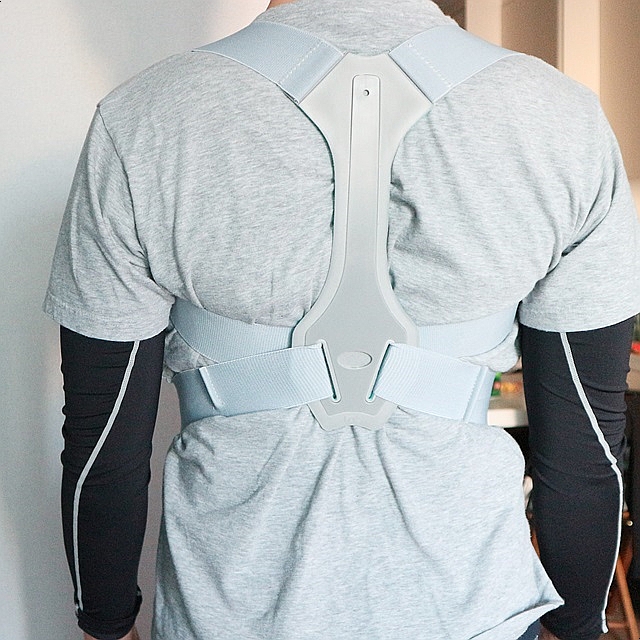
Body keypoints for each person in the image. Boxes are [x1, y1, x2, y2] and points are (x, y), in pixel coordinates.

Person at [44, 0, 640, 639]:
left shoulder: (144, 116)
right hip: (474, 608)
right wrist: (577, 622)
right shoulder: (561, 118)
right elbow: (586, 441)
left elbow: (104, 439)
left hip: (231, 609)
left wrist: (106, 620)